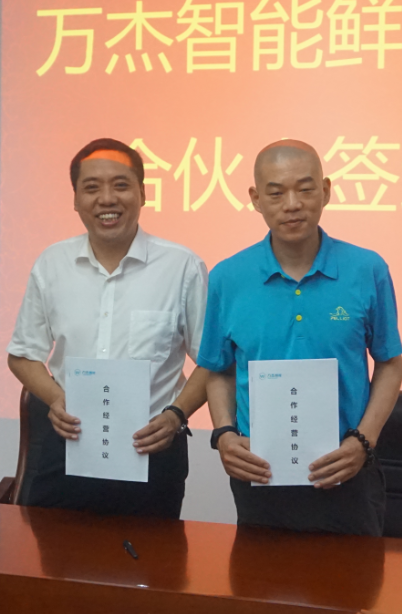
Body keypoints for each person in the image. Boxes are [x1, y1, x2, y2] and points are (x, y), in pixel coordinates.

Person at [197, 139, 402, 536]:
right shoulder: (228, 277)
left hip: (348, 469)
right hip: (261, 471)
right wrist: (223, 433)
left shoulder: (367, 269)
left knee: (353, 575)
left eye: (305, 189)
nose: (292, 204)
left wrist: (364, 441)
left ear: (325, 191)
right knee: (260, 574)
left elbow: (390, 362)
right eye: (276, 193)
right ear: (256, 199)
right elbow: (219, 369)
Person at [8, 137, 208, 518]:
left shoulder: (182, 267)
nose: (107, 199)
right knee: (55, 551)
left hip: (151, 450)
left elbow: (212, 361)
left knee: (150, 555)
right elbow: (22, 355)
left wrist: (175, 415)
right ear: (75, 199)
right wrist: (55, 398)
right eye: (91, 187)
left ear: (142, 193)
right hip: (67, 444)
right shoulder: (52, 263)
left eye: (120, 185)